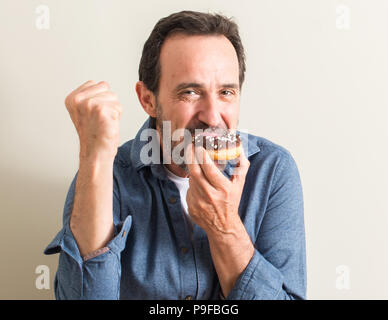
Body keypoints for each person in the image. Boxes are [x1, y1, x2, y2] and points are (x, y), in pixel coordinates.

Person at [44, 10, 306, 300]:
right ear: (148, 100)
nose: (212, 116)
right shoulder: (109, 176)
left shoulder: (272, 171)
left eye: (226, 93)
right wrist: (94, 159)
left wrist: (225, 227)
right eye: (191, 92)